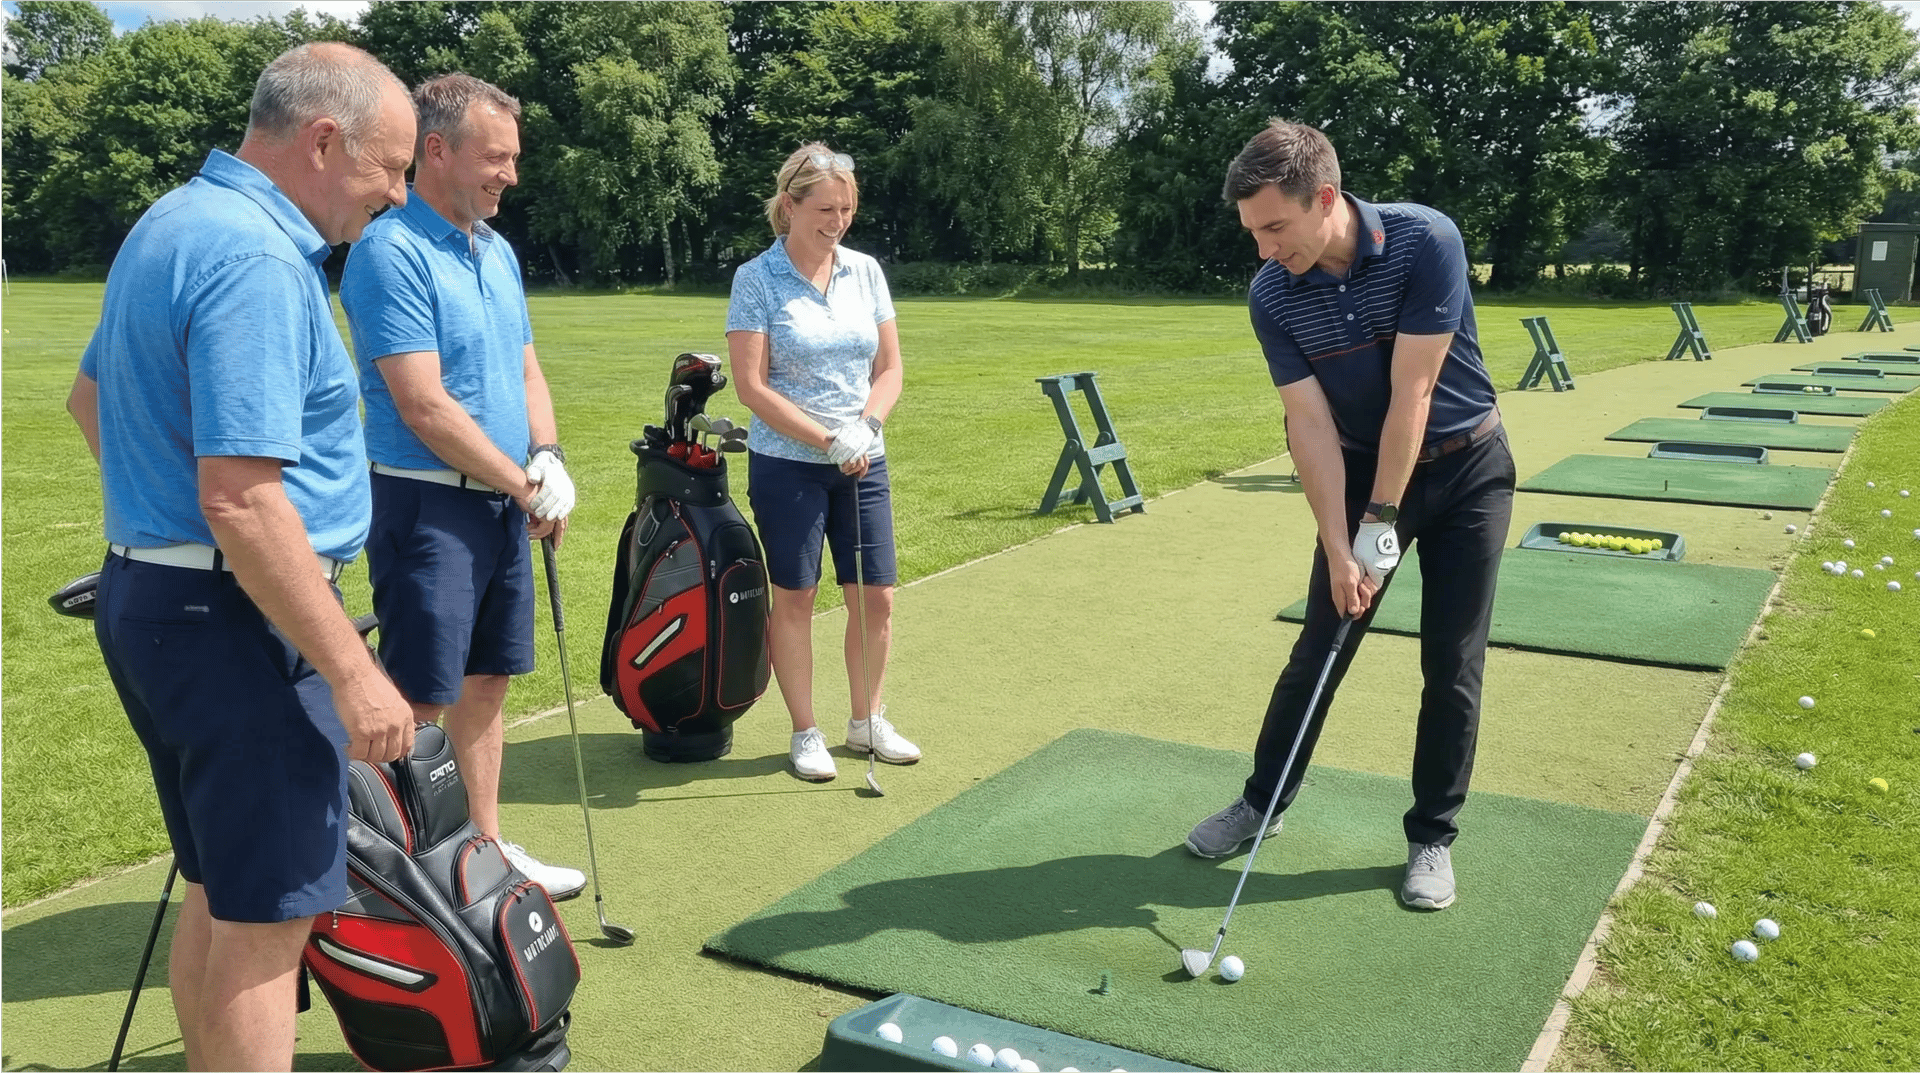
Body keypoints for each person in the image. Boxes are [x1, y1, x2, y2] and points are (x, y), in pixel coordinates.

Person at [65, 43, 417, 1071]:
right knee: (270, 922)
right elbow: (243, 498)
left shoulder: (171, 220)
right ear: (324, 141)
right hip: (236, 623)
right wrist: (352, 669)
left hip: (162, 598)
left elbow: (90, 402)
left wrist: (167, 530)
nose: (395, 195)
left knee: (223, 891)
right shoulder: (257, 257)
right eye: (390, 167)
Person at [1184, 120, 1515, 911]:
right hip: (1363, 464)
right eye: (1253, 232)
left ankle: (1432, 835)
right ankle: (1262, 803)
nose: (1265, 249)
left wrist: (1380, 523)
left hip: (1466, 468)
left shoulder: (1425, 240)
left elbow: (1414, 394)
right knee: (1320, 646)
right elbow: (1309, 425)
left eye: (1275, 227)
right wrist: (1340, 544)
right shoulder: (1272, 294)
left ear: (1324, 198)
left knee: (1451, 661)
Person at [337, 73, 583, 899]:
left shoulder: (497, 250)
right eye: (496, 157)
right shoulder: (389, 251)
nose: (511, 174)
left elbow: (526, 368)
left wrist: (545, 455)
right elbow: (423, 403)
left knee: (487, 682)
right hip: (427, 504)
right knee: (416, 700)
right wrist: (524, 484)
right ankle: (391, 879)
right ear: (436, 150)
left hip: (498, 501)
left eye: (513, 158)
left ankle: (483, 854)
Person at [726, 142, 915, 782]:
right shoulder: (757, 278)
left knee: (876, 596)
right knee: (796, 597)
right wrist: (826, 439)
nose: (837, 222)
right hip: (788, 464)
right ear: (790, 206)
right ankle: (805, 731)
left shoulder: (865, 272)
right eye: (825, 210)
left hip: (864, 458)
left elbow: (889, 369)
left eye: (846, 210)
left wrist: (866, 427)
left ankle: (867, 721)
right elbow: (751, 386)